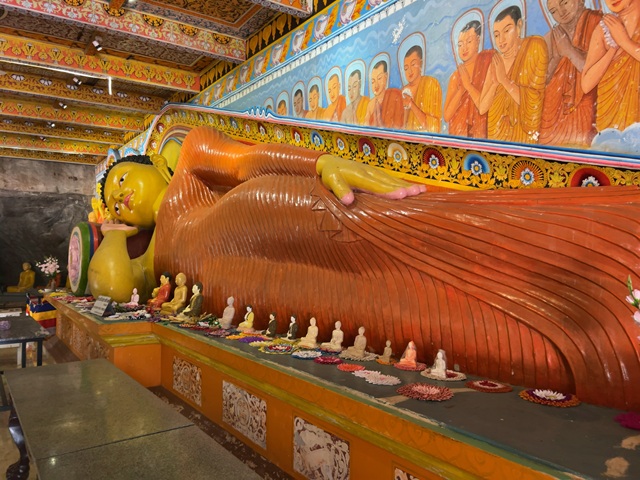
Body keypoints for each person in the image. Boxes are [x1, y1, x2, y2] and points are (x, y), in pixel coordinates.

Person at [90, 125, 640, 410]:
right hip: (257, 284)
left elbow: (245, 160)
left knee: (413, 233)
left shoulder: (188, 159)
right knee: (398, 314)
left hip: (277, 215)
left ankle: (597, 259)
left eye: (122, 181)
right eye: (111, 200)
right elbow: (108, 288)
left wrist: (320, 162)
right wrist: (113, 234)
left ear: (155, 164)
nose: (119, 198)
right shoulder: (148, 256)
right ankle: (566, 353)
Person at [479, 6, 548, 143]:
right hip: (496, 135)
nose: (501, 39)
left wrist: (504, 80)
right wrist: (495, 84)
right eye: (497, 35)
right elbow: (482, 108)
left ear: (519, 26)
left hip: (522, 138)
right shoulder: (496, 62)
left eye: (507, 31)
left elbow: (534, 101)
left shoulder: (534, 47)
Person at [539, 0, 601, 147]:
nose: (561, 13)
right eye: (553, 11)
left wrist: (569, 50)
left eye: (565, 3)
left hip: (585, 106)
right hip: (554, 113)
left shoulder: (598, 24)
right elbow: (540, 83)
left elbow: (597, 72)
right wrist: (556, 58)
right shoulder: (551, 37)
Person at [581, 0, 640, 133]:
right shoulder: (605, 29)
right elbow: (586, 84)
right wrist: (613, 50)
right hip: (610, 127)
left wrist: (624, 42)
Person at [444, 21, 494, 138]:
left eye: (469, 42)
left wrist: (468, 86)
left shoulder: (488, 63)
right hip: (460, 134)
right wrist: (460, 91)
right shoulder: (456, 76)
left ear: (478, 41)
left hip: (483, 132)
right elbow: (446, 116)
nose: (464, 48)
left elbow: (488, 104)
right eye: (460, 45)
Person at [401, 45, 442, 132]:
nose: (409, 71)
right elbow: (402, 127)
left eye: (413, 64)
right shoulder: (403, 91)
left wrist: (411, 104)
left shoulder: (431, 84)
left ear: (421, 63)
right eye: (406, 68)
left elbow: (434, 127)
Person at [365, 60, 404, 129]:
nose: (376, 85)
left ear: (386, 77)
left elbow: (399, 126)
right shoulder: (370, 105)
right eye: (373, 81)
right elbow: (365, 127)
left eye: (379, 78)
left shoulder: (395, 95)